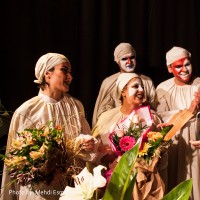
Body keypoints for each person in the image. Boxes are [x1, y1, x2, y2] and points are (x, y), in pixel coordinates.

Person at [0, 53, 97, 200]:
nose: (70, 77)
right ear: (47, 74)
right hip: (40, 191)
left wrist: (86, 144)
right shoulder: (27, 111)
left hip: (72, 188)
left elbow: (87, 144)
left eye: (70, 72)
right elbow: (15, 162)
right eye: (65, 70)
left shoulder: (75, 106)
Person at [92, 73, 168, 199]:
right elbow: (96, 153)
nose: (141, 90)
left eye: (142, 86)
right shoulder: (107, 118)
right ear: (123, 92)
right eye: (135, 86)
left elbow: (161, 158)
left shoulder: (152, 117)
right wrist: (110, 158)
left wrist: (162, 140)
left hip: (144, 184)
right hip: (115, 181)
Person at [155, 46, 200, 200]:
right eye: (178, 66)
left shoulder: (198, 84)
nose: (184, 70)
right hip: (175, 145)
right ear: (169, 68)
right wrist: (189, 110)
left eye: (187, 64)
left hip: (197, 144)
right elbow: (161, 120)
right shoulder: (163, 89)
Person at [92, 42, 156, 127]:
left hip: (143, 125)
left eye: (132, 57)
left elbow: (154, 107)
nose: (129, 62)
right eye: (124, 59)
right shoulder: (109, 82)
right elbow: (101, 115)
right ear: (117, 61)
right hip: (115, 129)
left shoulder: (147, 81)